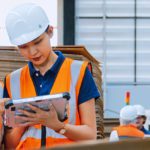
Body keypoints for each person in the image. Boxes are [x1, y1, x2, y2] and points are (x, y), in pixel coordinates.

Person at [3, 3, 100, 149]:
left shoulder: (78, 72)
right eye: (23, 47)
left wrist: (58, 126)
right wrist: (25, 120)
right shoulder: (12, 81)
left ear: (50, 32)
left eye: (37, 42)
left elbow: (91, 135)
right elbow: (10, 145)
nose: (32, 52)